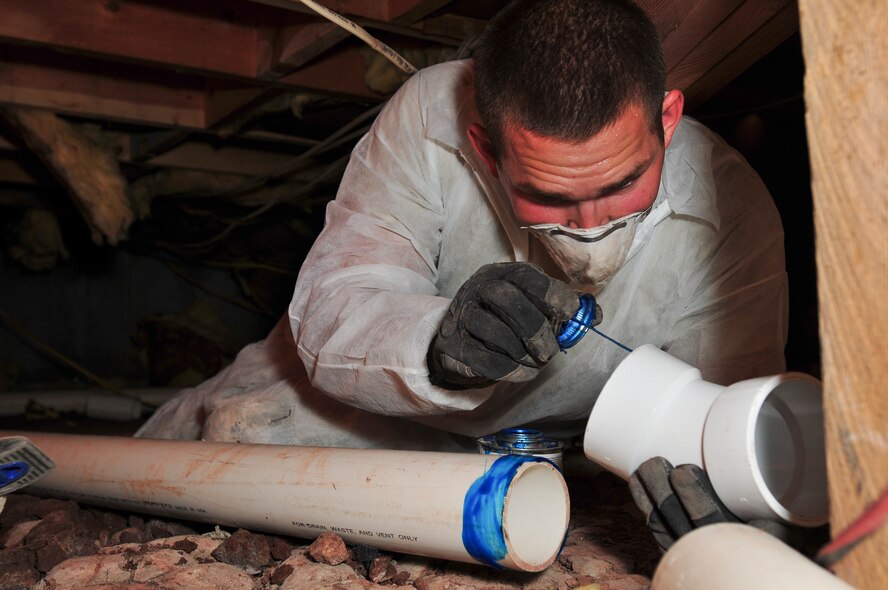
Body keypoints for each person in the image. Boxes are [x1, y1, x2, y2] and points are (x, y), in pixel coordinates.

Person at [137, 0, 789, 547]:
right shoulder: (429, 119)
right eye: (550, 195)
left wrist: (730, 506)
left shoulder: (731, 212)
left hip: (552, 452)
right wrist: (437, 344)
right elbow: (335, 302)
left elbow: (737, 416)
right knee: (231, 436)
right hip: (373, 413)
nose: (590, 227)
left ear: (667, 121)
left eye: (623, 183)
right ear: (485, 148)